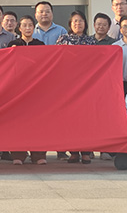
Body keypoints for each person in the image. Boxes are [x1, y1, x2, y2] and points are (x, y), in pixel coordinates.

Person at [55, 11, 96, 164]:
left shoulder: (91, 41)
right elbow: (57, 60)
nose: (78, 24)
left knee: (86, 120)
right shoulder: (63, 39)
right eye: (75, 21)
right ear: (70, 24)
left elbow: (96, 62)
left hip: (87, 85)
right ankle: (73, 151)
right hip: (68, 86)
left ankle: (86, 152)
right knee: (70, 119)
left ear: (85, 23)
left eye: (80, 21)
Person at [7, 15, 45, 165]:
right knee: (18, 122)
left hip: (36, 88)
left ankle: (38, 154)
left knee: (37, 122)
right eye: (24, 25)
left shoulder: (40, 45)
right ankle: (18, 154)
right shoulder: (13, 44)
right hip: (17, 88)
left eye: (30, 25)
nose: (27, 28)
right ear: (19, 28)